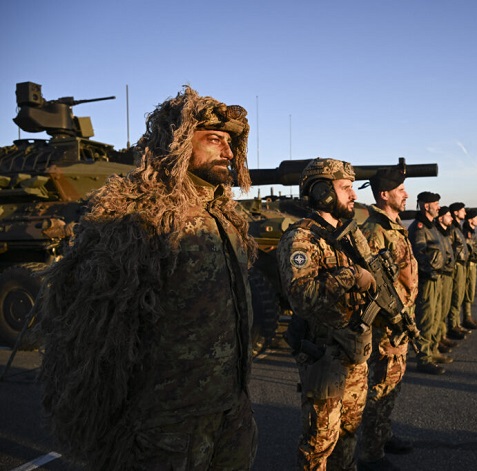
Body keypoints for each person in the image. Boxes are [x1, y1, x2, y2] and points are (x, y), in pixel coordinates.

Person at [37, 86, 258, 470]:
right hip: (167, 422)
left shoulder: (226, 216)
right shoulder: (138, 215)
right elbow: (94, 337)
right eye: (213, 140)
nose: (227, 152)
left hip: (230, 407)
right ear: (177, 143)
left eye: (230, 143)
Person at [277, 157, 375, 470]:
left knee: (348, 433)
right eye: (346, 188)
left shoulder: (347, 236)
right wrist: (351, 276)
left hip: (353, 350)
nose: (354, 195)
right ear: (322, 192)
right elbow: (303, 299)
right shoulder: (301, 239)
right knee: (318, 444)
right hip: (325, 356)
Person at [358, 168, 418, 471]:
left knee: (391, 384)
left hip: (400, 323)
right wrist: (390, 319)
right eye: (401, 189)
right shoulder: (374, 231)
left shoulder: (394, 227)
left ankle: (382, 434)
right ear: (385, 194)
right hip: (385, 327)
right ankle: (371, 453)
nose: (406, 194)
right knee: (380, 386)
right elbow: (370, 285)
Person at [408, 191, 448, 374]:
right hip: (427, 280)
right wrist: (429, 271)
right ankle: (424, 358)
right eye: (436, 203)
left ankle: (432, 350)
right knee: (425, 318)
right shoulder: (419, 228)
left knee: (435, 316)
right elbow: (418, 255)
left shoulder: (432, 227)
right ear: (426, 206)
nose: (439, 206)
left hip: (437, 278)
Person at [436, 206, 465, 343]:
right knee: (440, 307)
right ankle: (439, 337)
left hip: (450, 269)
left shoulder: (447, 231)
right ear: (441, 217)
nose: (451, 219)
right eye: (448, 216)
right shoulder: (440, 232)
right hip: (442, 272)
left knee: (449, 302)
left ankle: (443, 334)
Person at [446, 202, 472, 337]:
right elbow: (450, 249)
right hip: (456, 266)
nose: (465, 213)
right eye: (462, 210)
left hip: (462, 265)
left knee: (460, 294)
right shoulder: (452, 229)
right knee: (455, 295)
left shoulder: (457, 228)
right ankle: (452, 325)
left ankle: (456, 324)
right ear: (456, 212)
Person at [461, 210, 477, 330]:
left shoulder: (471, 232)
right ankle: (466, 317)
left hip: (473, 265)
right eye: (476, 218)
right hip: (468, 265)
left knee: (470, 290)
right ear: (470, 220)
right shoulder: (466, 233)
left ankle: (468, 316)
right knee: (467, 290)